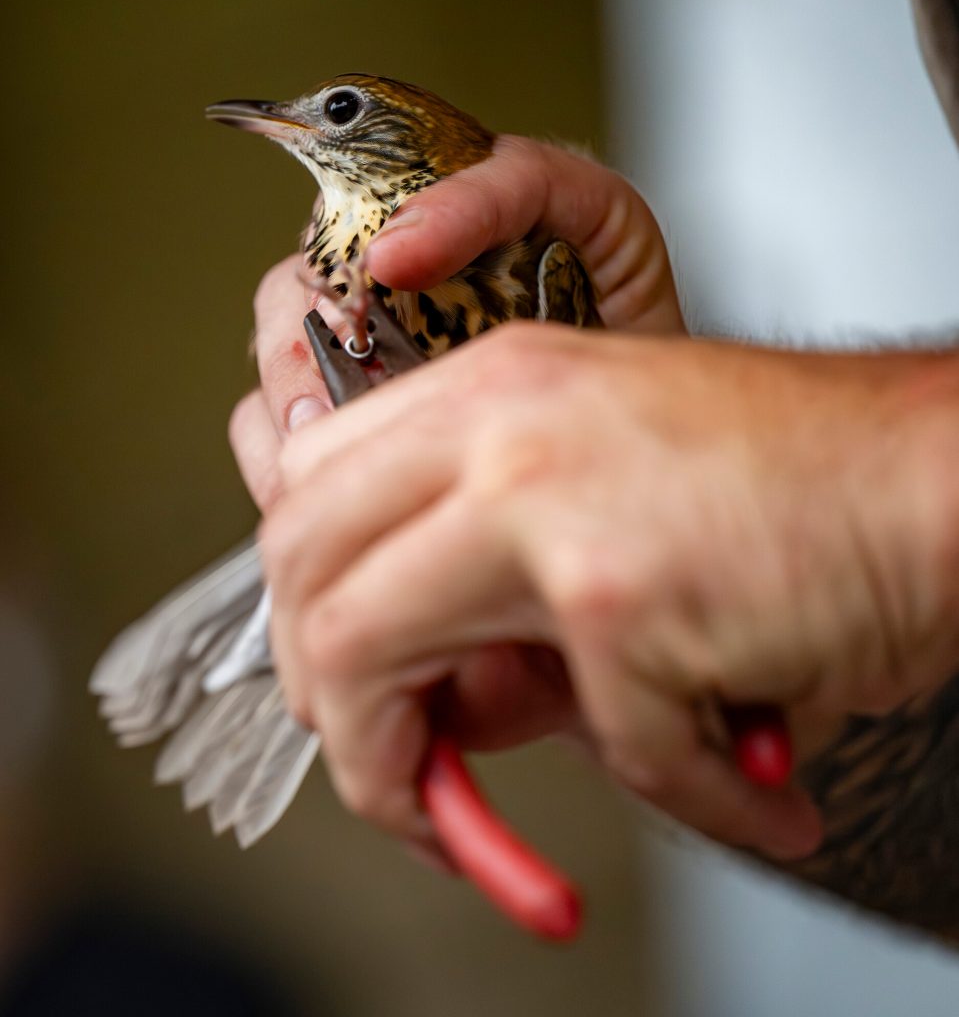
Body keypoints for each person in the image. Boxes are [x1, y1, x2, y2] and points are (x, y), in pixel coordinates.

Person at [227, 65, 959, 938]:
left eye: (339, 113)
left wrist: (877, 486)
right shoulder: (354, 267)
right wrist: (740, 683)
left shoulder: (519, 264)